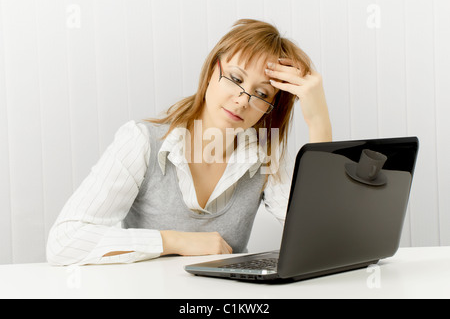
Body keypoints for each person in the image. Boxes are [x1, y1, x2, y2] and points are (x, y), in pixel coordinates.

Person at [46, 19, 331, 266]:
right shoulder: (142, 142)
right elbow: (64, 241)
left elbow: (320, 243)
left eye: (261, 94)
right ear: (211, 73)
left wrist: (318, 121)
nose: (243, 100)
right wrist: (175, 241)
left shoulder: (264, 159)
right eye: (235, 78)